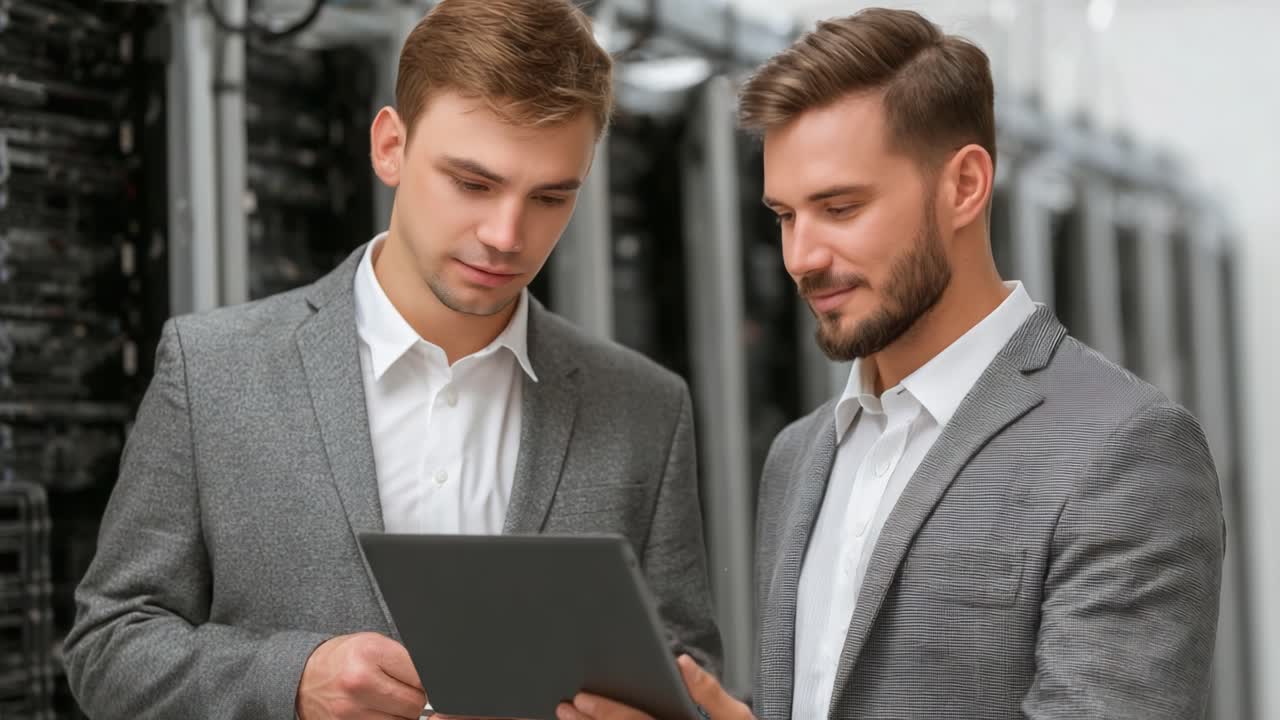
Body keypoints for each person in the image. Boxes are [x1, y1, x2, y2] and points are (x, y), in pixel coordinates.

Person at [560, 7, 1223, 720]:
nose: (801, 258)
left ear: (964, 186)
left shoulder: (1122, 450)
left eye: (840, 208)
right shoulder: (798, 455)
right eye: (785, 216)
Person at [63, 1, 721, 718]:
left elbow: (688, 680)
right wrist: (293, 678)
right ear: (389, 147)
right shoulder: (214, 372)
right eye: (473, 183)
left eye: (551, 197)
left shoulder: (646, 411)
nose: (507, 235)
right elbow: (108, 648)